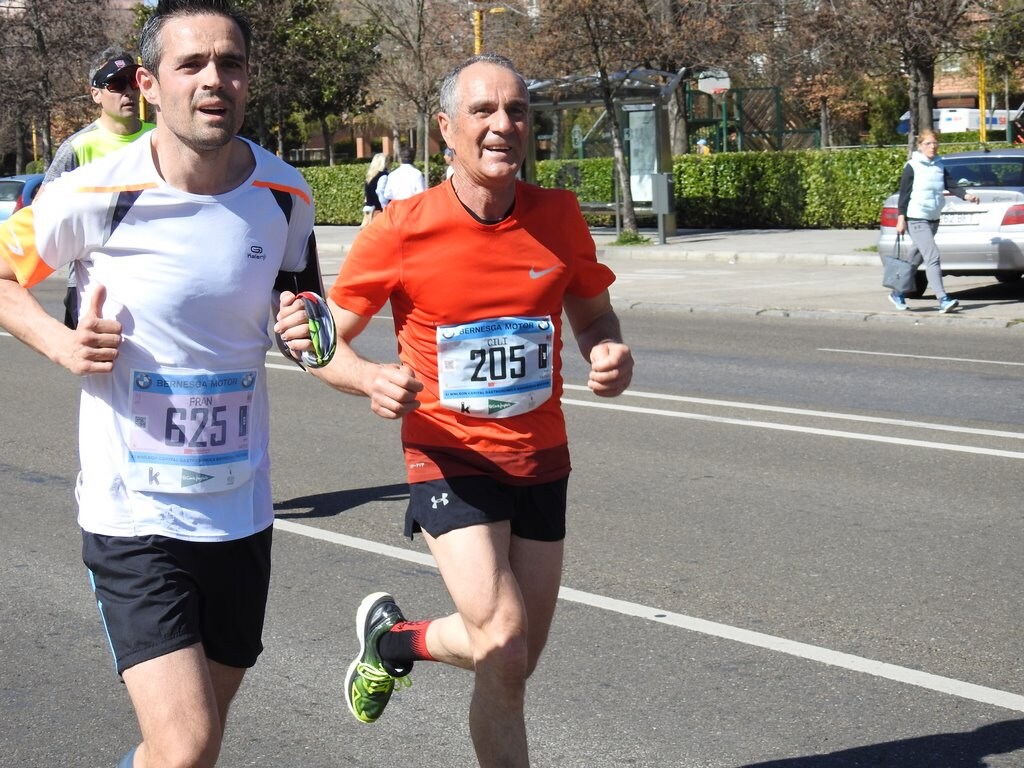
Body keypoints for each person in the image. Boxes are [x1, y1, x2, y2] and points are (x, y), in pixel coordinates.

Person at [275, 53, 634, 768]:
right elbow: (320, 344)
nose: (504, 125)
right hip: (447, 457)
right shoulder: (403, 228)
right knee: (502, 634)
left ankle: (394, 642)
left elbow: (595, 317)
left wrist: (609, 353)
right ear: (446, 128)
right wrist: (368, 379)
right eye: (483, 111)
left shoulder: (557, 217)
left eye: (518, 111)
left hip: (541, 459)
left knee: (512, 658)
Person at [0, 2, 318, 766]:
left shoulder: (286, 196)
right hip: (133, 513)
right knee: (187, 743)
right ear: (149, 84)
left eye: (231, 63)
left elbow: (306, 308)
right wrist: (60, 341)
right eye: (192, 65)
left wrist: (312, 333)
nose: (216, 80)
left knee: (187, 752)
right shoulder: (92, 190)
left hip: (239, 508)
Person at [47, 48, 155, 329]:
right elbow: (42, 210)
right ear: (95, 93)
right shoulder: (78, 147)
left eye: (133, 82)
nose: (128, 92)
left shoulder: (159, 139)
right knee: (95, 367)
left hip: (154, 277)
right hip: (92, 285)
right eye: (116, 84)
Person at [890, 129, 979, 312]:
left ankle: (897, 293)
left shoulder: (939, 164)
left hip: (933, 218)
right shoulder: (912, 166)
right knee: (933, 257)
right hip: (916, 218)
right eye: (928, 144)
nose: (932, 147)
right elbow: (904, 195)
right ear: (920, 146)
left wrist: (966, 196)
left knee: (914, 259)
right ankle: (943, 298)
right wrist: (901, 219)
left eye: (934, 143)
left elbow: (951, 185)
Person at [361, 152, 388, 228]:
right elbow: (380, 191)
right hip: (378, 210)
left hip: (368, 208)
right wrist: (385, 207)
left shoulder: (370, 176)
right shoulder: (383, 176)